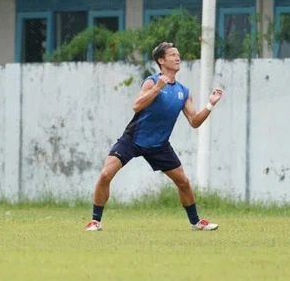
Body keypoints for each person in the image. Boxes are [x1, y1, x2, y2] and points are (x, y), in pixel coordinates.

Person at [87, 42, 223, 231]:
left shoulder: (183, 92)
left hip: (159, 145)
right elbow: (137, 106)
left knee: (183, 182)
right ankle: (95, 221)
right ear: (161, 60)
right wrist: (157, 88)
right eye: (173, 55)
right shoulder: (151, 81)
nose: (177, 58)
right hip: (133, 139)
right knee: (105, 174)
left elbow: (194, 122)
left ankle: (196, 222)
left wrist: (210, 104)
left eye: (178, 54)